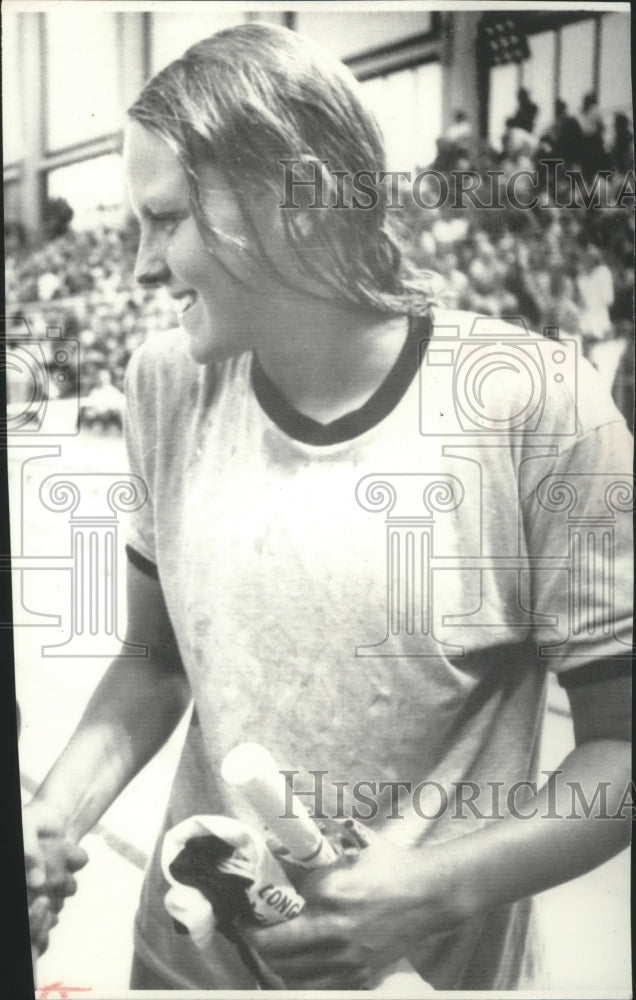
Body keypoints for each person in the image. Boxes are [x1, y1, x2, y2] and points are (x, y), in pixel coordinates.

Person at [23, 23, 632, 992]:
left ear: (295, 200)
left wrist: (431, 891)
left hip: (426, 978)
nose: (139, 266)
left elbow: (620, 744)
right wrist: (50, 820)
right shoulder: (165, 383)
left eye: (166, 218)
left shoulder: (536, 404)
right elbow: (154, 658)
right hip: (184, 965)